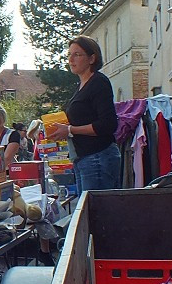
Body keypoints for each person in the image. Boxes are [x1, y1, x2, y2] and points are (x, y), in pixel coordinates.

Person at [45, 35, 120, 193]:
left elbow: (108, 124)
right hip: (83, 158)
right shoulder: (81, 85)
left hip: (98, 157)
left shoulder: (99, 82)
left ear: (92, 58)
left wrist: (70, 130)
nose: (71, 59)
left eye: (77, 54)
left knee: (96, 213)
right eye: (69, 54)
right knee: (86, 212)